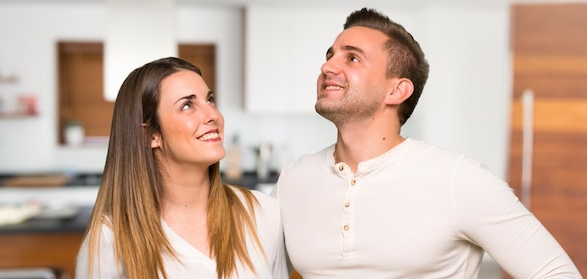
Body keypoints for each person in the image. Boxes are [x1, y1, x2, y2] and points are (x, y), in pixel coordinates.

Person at [272, 7, 581, 279]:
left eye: (352, 57)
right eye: (330, 55)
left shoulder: (459, 180)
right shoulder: (293, 180)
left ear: (396, 91)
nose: (327, 67)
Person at [76, 57, 288, 279]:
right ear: (150, 135)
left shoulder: (264, 214)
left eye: (210, 100)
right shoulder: (110, 240)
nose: (213, 115)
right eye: (187, 105)